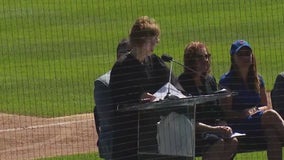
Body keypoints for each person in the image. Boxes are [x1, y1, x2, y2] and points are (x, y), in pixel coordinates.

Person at [109, 16, 184, 160]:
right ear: (143, 39)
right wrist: (139, 98)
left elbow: (174, 85)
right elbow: (118, 100)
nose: (157, 41)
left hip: (152, 134)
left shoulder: (155, 61)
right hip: (129, 138)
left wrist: (179, 95)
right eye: (154, 37)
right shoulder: (122, 67)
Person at [219, 39, 284, 160]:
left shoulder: (258, 78)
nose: (245, 57)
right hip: (238, 124)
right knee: (270, 115)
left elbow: (265, 105)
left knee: (272, 134)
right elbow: (226, 112)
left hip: (256, 121)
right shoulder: (226, 81)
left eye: (247, 53)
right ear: (233, 58)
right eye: (241, 54)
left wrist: (252, 111)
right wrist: (242, 113)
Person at [178, 41, 238, 160]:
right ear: (191, 60)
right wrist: (214, 129)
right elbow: (188, 120)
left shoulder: (209, 80)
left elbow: (216, 110)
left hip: (213, 130)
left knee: (233, 141)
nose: (205, 60)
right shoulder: (183, 83)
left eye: (207, 56)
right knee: (218, 142)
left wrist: (222, 124)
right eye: (200, 57)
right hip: (194, 132)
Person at [94, 38, 130, 160]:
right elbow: (108, 122)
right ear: (119, 55)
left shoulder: (143, 76)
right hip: (117, 145)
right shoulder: (104, 83)